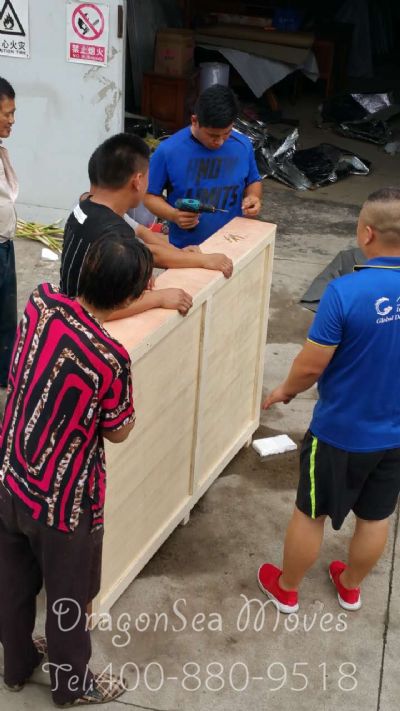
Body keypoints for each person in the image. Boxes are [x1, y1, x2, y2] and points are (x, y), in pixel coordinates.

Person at [0, 233, 153, 705]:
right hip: (63, 504)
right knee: (69, 600)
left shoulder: (40, 303)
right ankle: (71, 686)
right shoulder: (109, 357)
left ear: (85, 269)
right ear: (128, 298)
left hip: (11, 476)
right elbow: (118, 430)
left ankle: (16, 666)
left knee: (12, 584)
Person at [258, 187, 400, 614]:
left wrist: (285, 390)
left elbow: (310, 366)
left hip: (339, 432)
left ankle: (287, 588)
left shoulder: (344, 292)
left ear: (367, 233)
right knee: (375, 516)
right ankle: (350, 587)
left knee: (311, 511)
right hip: (393, 434)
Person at [61, 132, 192, 317]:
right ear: (137, 181)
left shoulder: (83, 208)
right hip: (82, 324)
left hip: (64, 309)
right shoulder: (115, 235)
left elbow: (146, 247)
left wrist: (178, 254)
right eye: (147, 177)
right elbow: (103, 309)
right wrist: (159, 298)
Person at [83, 145, 234, 278]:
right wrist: (204, 260)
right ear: (138, 181)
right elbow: (152, 254)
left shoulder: (94, 208)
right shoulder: (108, 226)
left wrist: (180, 253)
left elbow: (142, 232)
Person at [143, 84, 262, 249]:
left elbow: (253, 180)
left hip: (233, 244)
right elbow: (149, 196)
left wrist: (253, 197)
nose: (219, 141)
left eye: (226, 133)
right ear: (195, 121)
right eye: (212, 135)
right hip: (186, 251)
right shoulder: (169, 151)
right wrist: (174, 215)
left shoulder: (242, 145)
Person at [0, 77, 18, 390]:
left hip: (5, 244)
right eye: (7, 113)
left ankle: (5, 376)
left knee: (5, 320)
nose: (13, 120)